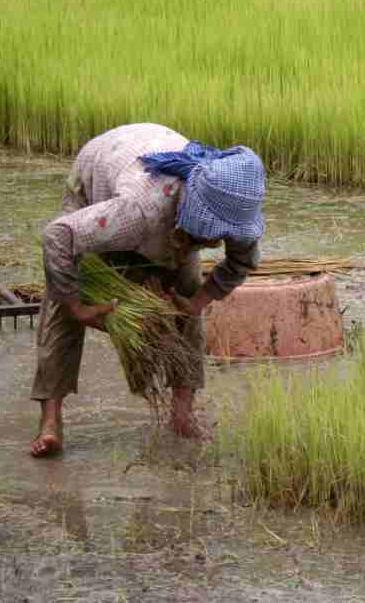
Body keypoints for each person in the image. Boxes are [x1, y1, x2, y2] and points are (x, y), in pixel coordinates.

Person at [30, 123, 265, 458]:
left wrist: (196, 302)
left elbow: (240, 263)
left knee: (185, 293)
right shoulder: (137, 213)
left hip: (164, 210)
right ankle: (50, 421)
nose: (218, 240)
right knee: (68, 288)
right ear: (193, 215)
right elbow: (58, 237)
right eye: (211, 233)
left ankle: (182, 415)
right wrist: (76, 308)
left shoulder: (237, 206)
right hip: (99, 175)